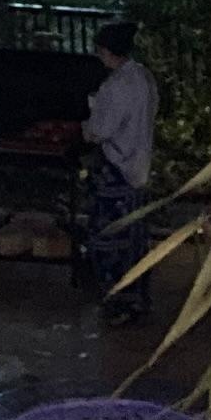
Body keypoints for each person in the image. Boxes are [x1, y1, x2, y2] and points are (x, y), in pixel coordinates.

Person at [82, 16, 158, 328]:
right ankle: (138, 296)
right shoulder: (143, 77)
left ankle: (118, 299)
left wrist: (87, 121)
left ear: (106, 51)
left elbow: (98, 131)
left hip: (118, 167)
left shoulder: (116, 87)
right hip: (140, 162)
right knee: (136, 238)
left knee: (111, 239)